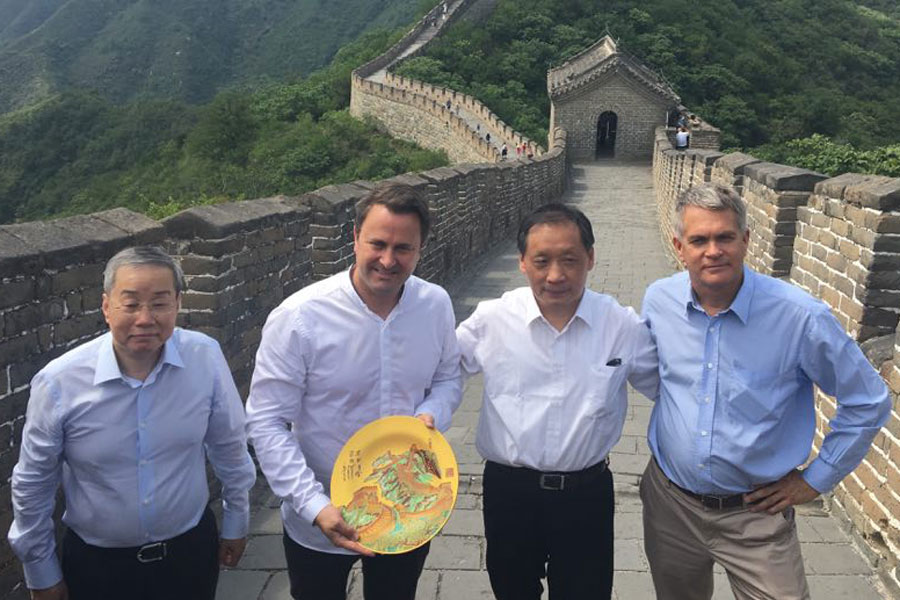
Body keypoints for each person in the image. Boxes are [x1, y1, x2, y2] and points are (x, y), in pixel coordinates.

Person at [640, 183, 891, 600]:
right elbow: (654, 377)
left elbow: (868, 400)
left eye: (725, 237)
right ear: (679, 246)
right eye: (699, 240)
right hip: (671, 504)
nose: (713, 250)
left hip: (755, 515)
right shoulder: (659, 301)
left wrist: (816, 480)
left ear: (746, 240)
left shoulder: (799, 317)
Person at [245, 182, 462, 600]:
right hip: (323, 507)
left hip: (408, 507)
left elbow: (448, 377)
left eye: (403, 248)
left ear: (421, 249)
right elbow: (267, 420)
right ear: (355, 239)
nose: (387, 259)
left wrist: (434, 411)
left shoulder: (434, 305)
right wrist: (313, 505)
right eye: (377, 244)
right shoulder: (300, 317)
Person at [8, 246, 256, 600]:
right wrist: (40, 570)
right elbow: (33, 483)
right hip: (99, 567)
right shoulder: (60, 382)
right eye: (131, 304)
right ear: (107, 306)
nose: (145, 318)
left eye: (159, 303)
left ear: (178, 304)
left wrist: (236, 521)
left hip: (188, 554)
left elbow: (229, 445)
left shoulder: (203, 357)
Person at [457, 203, 658, 600]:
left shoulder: (621, 326)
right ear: (521, 262)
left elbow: (672, 392)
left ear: (591, 258)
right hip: (509, 492)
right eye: (541, 261)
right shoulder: (492, 319)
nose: (555, 275)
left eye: (570, 260)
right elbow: (443, 373)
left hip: (586, 494)